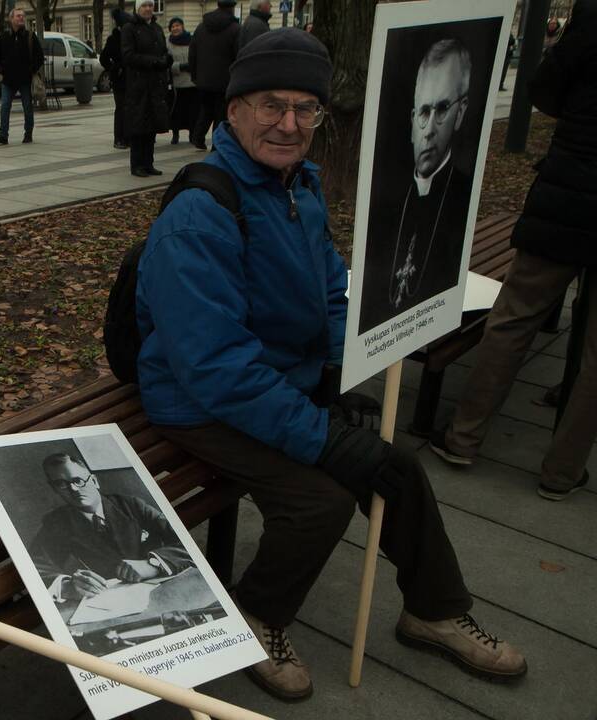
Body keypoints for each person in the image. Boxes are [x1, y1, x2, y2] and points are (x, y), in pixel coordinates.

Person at [134, 28, 526, 701]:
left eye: (305, 109)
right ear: (233, 110)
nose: (289, 124)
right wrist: (320, 435)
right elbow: (215, 368)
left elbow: (331, 291)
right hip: (194, 399)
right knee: (322, 499)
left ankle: (432, 609)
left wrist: (341, 372)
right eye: (270, 105)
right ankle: (257, 614)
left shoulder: (298, 186)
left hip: (274, 380)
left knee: (395, 464)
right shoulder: (202, 212)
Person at [431, 0, 597, 502]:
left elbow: (545, 88)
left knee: (515, 315)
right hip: (573, 181)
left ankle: (463, 437)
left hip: (572, 184)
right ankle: (562, 471)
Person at [358, 38, 474, 333]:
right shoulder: (387, 201)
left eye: (443, 109)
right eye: (423, 113)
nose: (430, 130)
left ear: (460, 113)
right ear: (412, 122)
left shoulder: (462, 196)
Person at [28, 453, 192, 601]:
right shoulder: (57, 522)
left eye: (77, 480)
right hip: (111, 599)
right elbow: (32, 565)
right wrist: (67, 586)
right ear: (55, 489)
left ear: (94, 481)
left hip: (165, 585)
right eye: (61, 484)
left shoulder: (131, 505)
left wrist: (153, 564)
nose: (73, 489)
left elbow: (186, 542)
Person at [121, 0, 170, 177]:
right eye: (144, 6)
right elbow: (128, 55)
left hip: (155, 84)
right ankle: (137, 165)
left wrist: (166, 60)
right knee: (138, 126)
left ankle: (149, 163)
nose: (148, 9)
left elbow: (163, 50)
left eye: (150, 5)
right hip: (138, 85)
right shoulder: (130, 28)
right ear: (137, 8)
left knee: (151, 126)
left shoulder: (156, 28)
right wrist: (153, 61)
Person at [188, 0, 240, 150]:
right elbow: (238, 55)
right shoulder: (235, 29)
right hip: (225, 81)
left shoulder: (201, 27)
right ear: (232, 7)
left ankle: (198, 138)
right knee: (221, 115)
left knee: (206, 110)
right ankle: (216, 145)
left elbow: (193, 53)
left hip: (203, 80)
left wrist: (195, 75)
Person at [0, 8, 43, 145]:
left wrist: (32, 70)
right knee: (5, 106)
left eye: (23, 16)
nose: (21, 18)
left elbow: (40, 57)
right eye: (18, 16)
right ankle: (3, 135)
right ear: (11, 19)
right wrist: (2, 70)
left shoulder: (30, 36)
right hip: (8, 80)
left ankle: (28, 133)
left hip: (25, 80)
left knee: (27, 107)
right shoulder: (4, 36)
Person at [100, 8, 131, 149]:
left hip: (132, 77)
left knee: (130, 107)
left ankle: (128, 136)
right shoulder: (113, 39)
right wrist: (114, 68)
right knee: (121, 108)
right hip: (119, 79)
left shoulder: (131, 37)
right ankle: (119, 138)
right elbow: (103, 58)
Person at [165, 17, 195, 145]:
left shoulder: (192, 40)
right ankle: (175, 134)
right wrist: (180, 66)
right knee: (177, 112)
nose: (175, 28)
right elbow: (165, 63)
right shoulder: (167, 43)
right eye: (173, 26)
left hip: (193, 82)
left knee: (193, 111)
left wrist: (193, 66)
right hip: (177, 83)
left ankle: (192, 134)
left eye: (178, 25)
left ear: (182, 27)